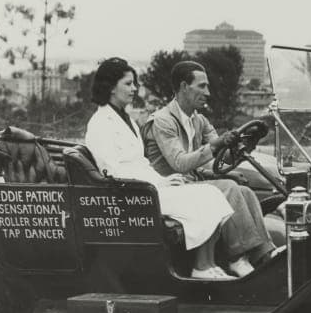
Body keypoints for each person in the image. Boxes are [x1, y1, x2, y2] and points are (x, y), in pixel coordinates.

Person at [84, 57, 236, 280]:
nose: (134, 89)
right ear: (110, 87)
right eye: (128, 84)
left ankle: (208, 264)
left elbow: (141, 163)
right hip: (131, 196)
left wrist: (165, 180)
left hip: (148, 187)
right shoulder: (99, 124)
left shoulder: (129, 121)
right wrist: (157, 184)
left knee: (211, 193)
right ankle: (202, 267)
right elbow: (112, 173)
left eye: (134, 83)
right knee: (206, 196)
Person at [144, 61, 278, 278]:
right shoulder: (163, 121)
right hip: (171, 187)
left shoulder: (199, 120)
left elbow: (220, 156)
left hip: (191, 184)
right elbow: (180, 162)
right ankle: (237, 258)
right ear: (184, 86)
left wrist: (241, 145)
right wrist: (216, 146)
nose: (208, 93)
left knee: (244, 190)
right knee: (229, 188)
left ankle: (264, 254)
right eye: (202, 86)